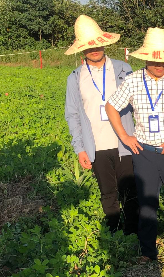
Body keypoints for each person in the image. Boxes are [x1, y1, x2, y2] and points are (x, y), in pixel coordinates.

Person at [105, 28, 164, 262]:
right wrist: (125, 137)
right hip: (145, 154)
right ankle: (148, 251)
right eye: (154, 59)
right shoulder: (133, 80)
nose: (159, 65)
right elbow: (112, 107)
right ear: (145, 57)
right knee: (147, 204)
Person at [64, 15, 139, 235]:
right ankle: (113, 230)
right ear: (81, 50)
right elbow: (73, 115)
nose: (94, 49)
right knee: (108, 192)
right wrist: (79, 148)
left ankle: (133, 231)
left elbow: (138, 104)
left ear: (104, 43)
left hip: (124, 140)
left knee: (130, 189)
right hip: (95, 144)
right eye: (88, 45)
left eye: (97, 43)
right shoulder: (75, 78)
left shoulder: (123, 69)